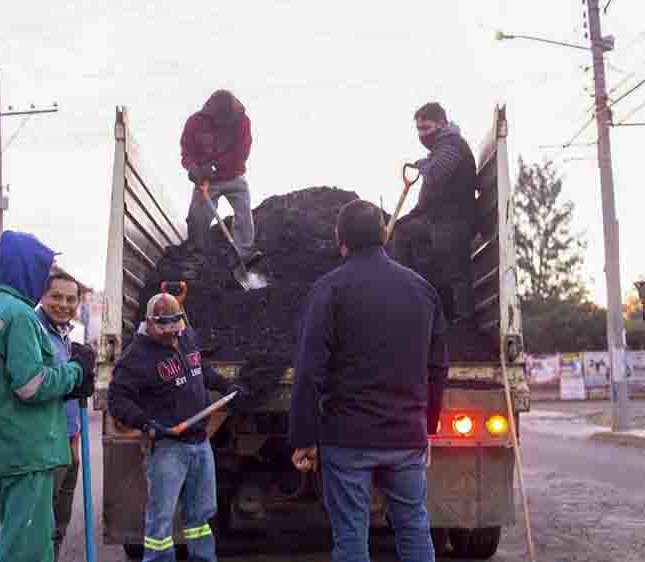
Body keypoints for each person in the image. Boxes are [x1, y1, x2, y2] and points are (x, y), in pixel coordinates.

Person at [289, 200, 449, 562]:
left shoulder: (329, 290)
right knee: (413, 528)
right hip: (406, 437)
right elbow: (438, 367)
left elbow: (309, 369)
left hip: (348, 440)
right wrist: (426, 427)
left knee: (350, 536)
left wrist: (303, 437)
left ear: (340, 241)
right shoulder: (423, 290)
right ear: (384, 235)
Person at [0, 231, 97, 562]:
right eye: (43, 267)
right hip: (28, 451)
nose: (44, 276)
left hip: (3, 450)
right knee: (27, 550)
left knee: (20, 541)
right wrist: (76, 372)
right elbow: (31, 385)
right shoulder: (21, 315)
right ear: (27, 267)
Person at [107, 293, 247, 562]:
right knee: (161, 520)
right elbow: (118, 400)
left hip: (200, 442)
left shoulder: (185, 336)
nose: (173, 335)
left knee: (201, 515)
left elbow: (199, 368)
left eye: (177, 327)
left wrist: (226, 386)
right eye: (165, 329)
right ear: (149, 322)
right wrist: (146, 423)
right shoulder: (135, 357)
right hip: (167, 447)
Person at [393, 101, 477, 323]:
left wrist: (423, 164)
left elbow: (436, 176)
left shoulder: (452, 145)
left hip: (455, 220)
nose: (422, 135)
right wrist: (412, 215)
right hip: (437, 218)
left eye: (426, 128)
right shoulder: (440, 148)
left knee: (456, 272)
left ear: (441, 123)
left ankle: (466, 323)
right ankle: (411, 296)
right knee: (402, 231)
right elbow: (430, 194)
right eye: (419, 130)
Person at [180, 89, 262, 276]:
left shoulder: (242, 121)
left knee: (243, 211)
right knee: (197, 218)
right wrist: (192, 167)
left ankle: (245, 254)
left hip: (234, 176)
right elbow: (186, 149)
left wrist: (214, 167)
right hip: (205, 180)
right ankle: (196, 258)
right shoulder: (195, 123)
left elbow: (241, 154)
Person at [37, 271, 84, 562]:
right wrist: (76, 370)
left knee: (59, 523)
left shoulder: (65, 334)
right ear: (43, 296)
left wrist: (74, 437)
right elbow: (40, 384)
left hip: (67, 440)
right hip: (45, 443)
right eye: (57, 296)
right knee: (40, 524)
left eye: (71, 299)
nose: (64, 304)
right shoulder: (35, 331)